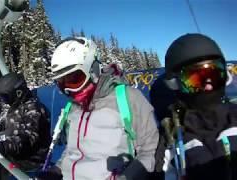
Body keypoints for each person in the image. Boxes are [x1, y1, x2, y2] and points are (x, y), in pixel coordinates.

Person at [42, 37, 159, 180]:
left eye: (74, 80)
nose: (68, 90)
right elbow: (72, 150)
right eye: (61, 83)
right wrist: (57, 169)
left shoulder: (127, 98)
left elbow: (148, 151)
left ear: (93, 71)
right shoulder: (73, 107)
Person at [157, 33, 237, 179]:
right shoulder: (173, 138)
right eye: (195, 80)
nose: (208, 87)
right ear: (176, 84)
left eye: (214, 75)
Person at [0, 72, 51, 180]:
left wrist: (3, 146)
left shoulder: (33, 109)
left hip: (30, 161)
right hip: (17, 157)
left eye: (5, 97)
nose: (5, 102)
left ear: (18, 92)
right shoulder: (16, 107)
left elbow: (28, 139)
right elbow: (8, 124)